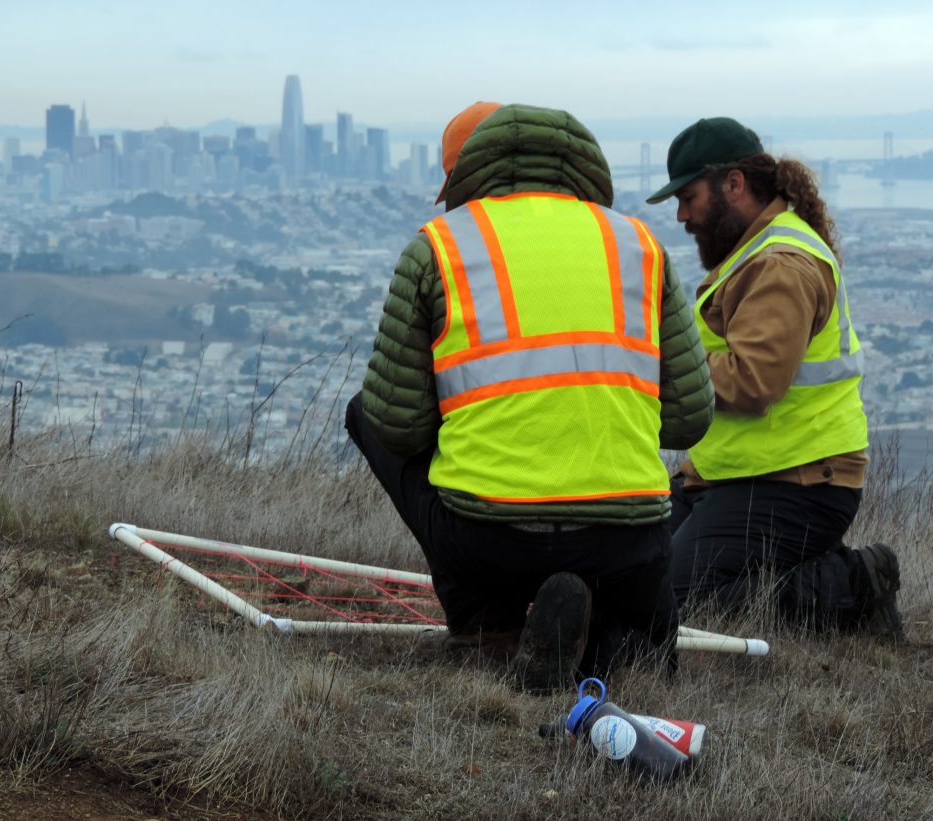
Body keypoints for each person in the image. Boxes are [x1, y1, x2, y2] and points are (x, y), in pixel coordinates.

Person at [344, 102, 714, 693]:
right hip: (628, 538)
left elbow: (398, 425)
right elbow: (689, 417)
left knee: (366, 411)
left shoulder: (440, 246)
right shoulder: (640, 244)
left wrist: (470, 417)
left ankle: (485, 626)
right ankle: (610, 638)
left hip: (489, 539)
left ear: (467, 174)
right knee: (640, 655)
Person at [646, 116, 903, 638]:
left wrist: (658, 360)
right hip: (739, 477)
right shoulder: (752, 254)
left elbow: (753, 381)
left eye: (688, 196)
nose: (681, 215)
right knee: (635, 571)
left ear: (733, 184)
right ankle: (785, 563)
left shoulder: (780, 265)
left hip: (802, 483)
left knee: (676, 594)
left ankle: (854, 582)